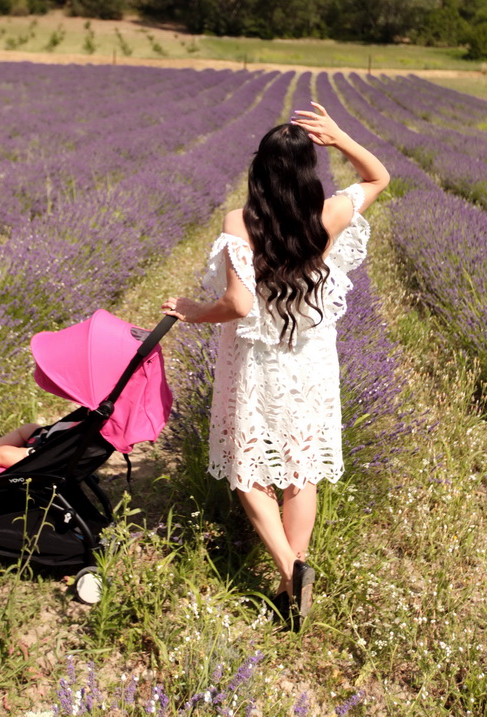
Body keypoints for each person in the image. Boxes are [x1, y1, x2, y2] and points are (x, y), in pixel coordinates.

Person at [161, 101, 389, 624]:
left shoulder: (241, 221)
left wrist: (193, 312)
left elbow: (239, 306)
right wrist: (339, 137)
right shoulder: (328, 213)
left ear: (258, 171)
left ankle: (290, 571)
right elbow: (379, 176)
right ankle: (294, 593)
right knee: (299, 469)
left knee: (248, 474)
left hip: (258, 363)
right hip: (309, 361)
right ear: (309, 171)